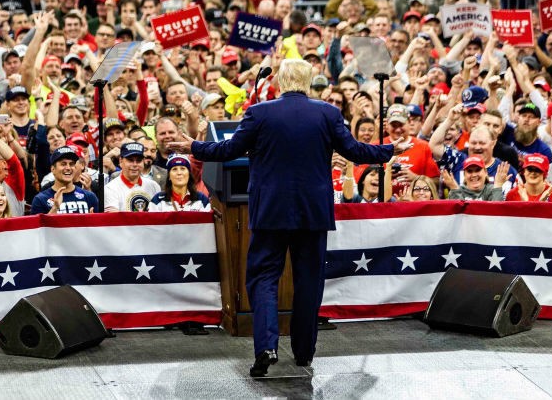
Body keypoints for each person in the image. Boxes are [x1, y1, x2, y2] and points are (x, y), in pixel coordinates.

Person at [167, 59, 406, 377]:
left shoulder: (259, 112)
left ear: (279, 82)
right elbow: (354, 151)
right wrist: (388, 151)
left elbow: (229, 150)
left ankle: (266, 346)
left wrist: (195, 146)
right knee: (309, 281)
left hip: (271, 210)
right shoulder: (328, 113)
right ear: (308, 83)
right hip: (313, 212)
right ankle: (304, 352)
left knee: (264, 278)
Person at [30, 146, 99, 214]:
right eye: (63, 164)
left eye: (71, 164)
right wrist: (55, 208)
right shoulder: (40, 200)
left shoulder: (90, 197)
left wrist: (92, 219)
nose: (68, 168)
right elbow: (39, 222)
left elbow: (98, 221)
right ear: (53, 169)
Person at [104, 141, 161, 212]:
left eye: (139, 161)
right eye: (130, 160)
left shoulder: (154, 186)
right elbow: (113, 217)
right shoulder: (110, 188)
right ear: (121, 161)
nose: (135, 164)